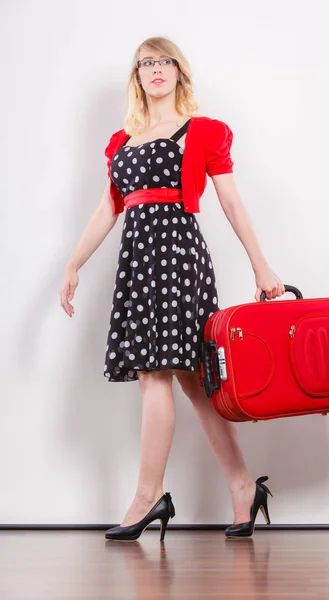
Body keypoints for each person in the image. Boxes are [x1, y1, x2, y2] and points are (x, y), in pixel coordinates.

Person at [59, 36, 285, 542]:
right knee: (193, 382)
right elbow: (107, 209)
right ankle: (244, 486)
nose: (156, 69)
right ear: (137, 77)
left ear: (179, 72)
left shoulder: (203, 132)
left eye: (165, 61)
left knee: (158, 373)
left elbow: (231, 203)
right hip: (138, 261)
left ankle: (147, 497)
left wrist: (261, 267)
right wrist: (73, 263)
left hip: (178, 256)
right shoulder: (121, 142)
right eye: (146, 63)